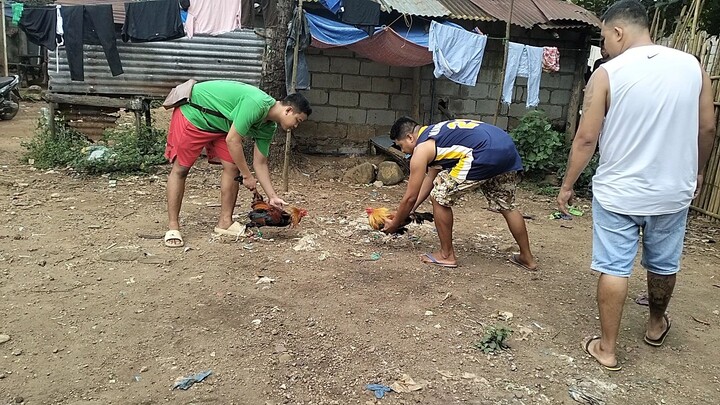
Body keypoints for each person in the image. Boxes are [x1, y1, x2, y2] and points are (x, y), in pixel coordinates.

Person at [556, 0, 715, 371]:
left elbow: (585, 139)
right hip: (672, 192)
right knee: (663, 262)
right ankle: (656, 324)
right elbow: (707, 128)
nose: (604, 47)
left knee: (614, 266)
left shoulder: (608, 74)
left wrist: (567, 186)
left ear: (618, 32)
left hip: (618, 193)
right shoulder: (693, 67)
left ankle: (607, 348)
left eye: (604, 38)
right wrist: (699, 172)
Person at [163, 80, 312, 247]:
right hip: (195, 114)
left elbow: (260, 163)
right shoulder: (256, 103)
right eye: (298, 120)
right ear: (288, 110)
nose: (296, 126)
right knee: (181, 169)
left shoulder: (268, 127)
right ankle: (173, 226)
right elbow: (233, 140)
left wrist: (272, 196)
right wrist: (247, 176)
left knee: (233, 168)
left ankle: (225, 222)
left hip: (221, 123)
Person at [382, 117, 537, 270]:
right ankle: (526, 257)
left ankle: (446, 255)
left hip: (482, 151)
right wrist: (410, 211)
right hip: (505, 146)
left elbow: (410, 197)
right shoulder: (438, 133)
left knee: (439, 196)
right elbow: (430, 177)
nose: (403, 151)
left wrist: (395, 224)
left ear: (410, 137)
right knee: (506, 205)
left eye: (400, 145)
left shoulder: (421, 149)